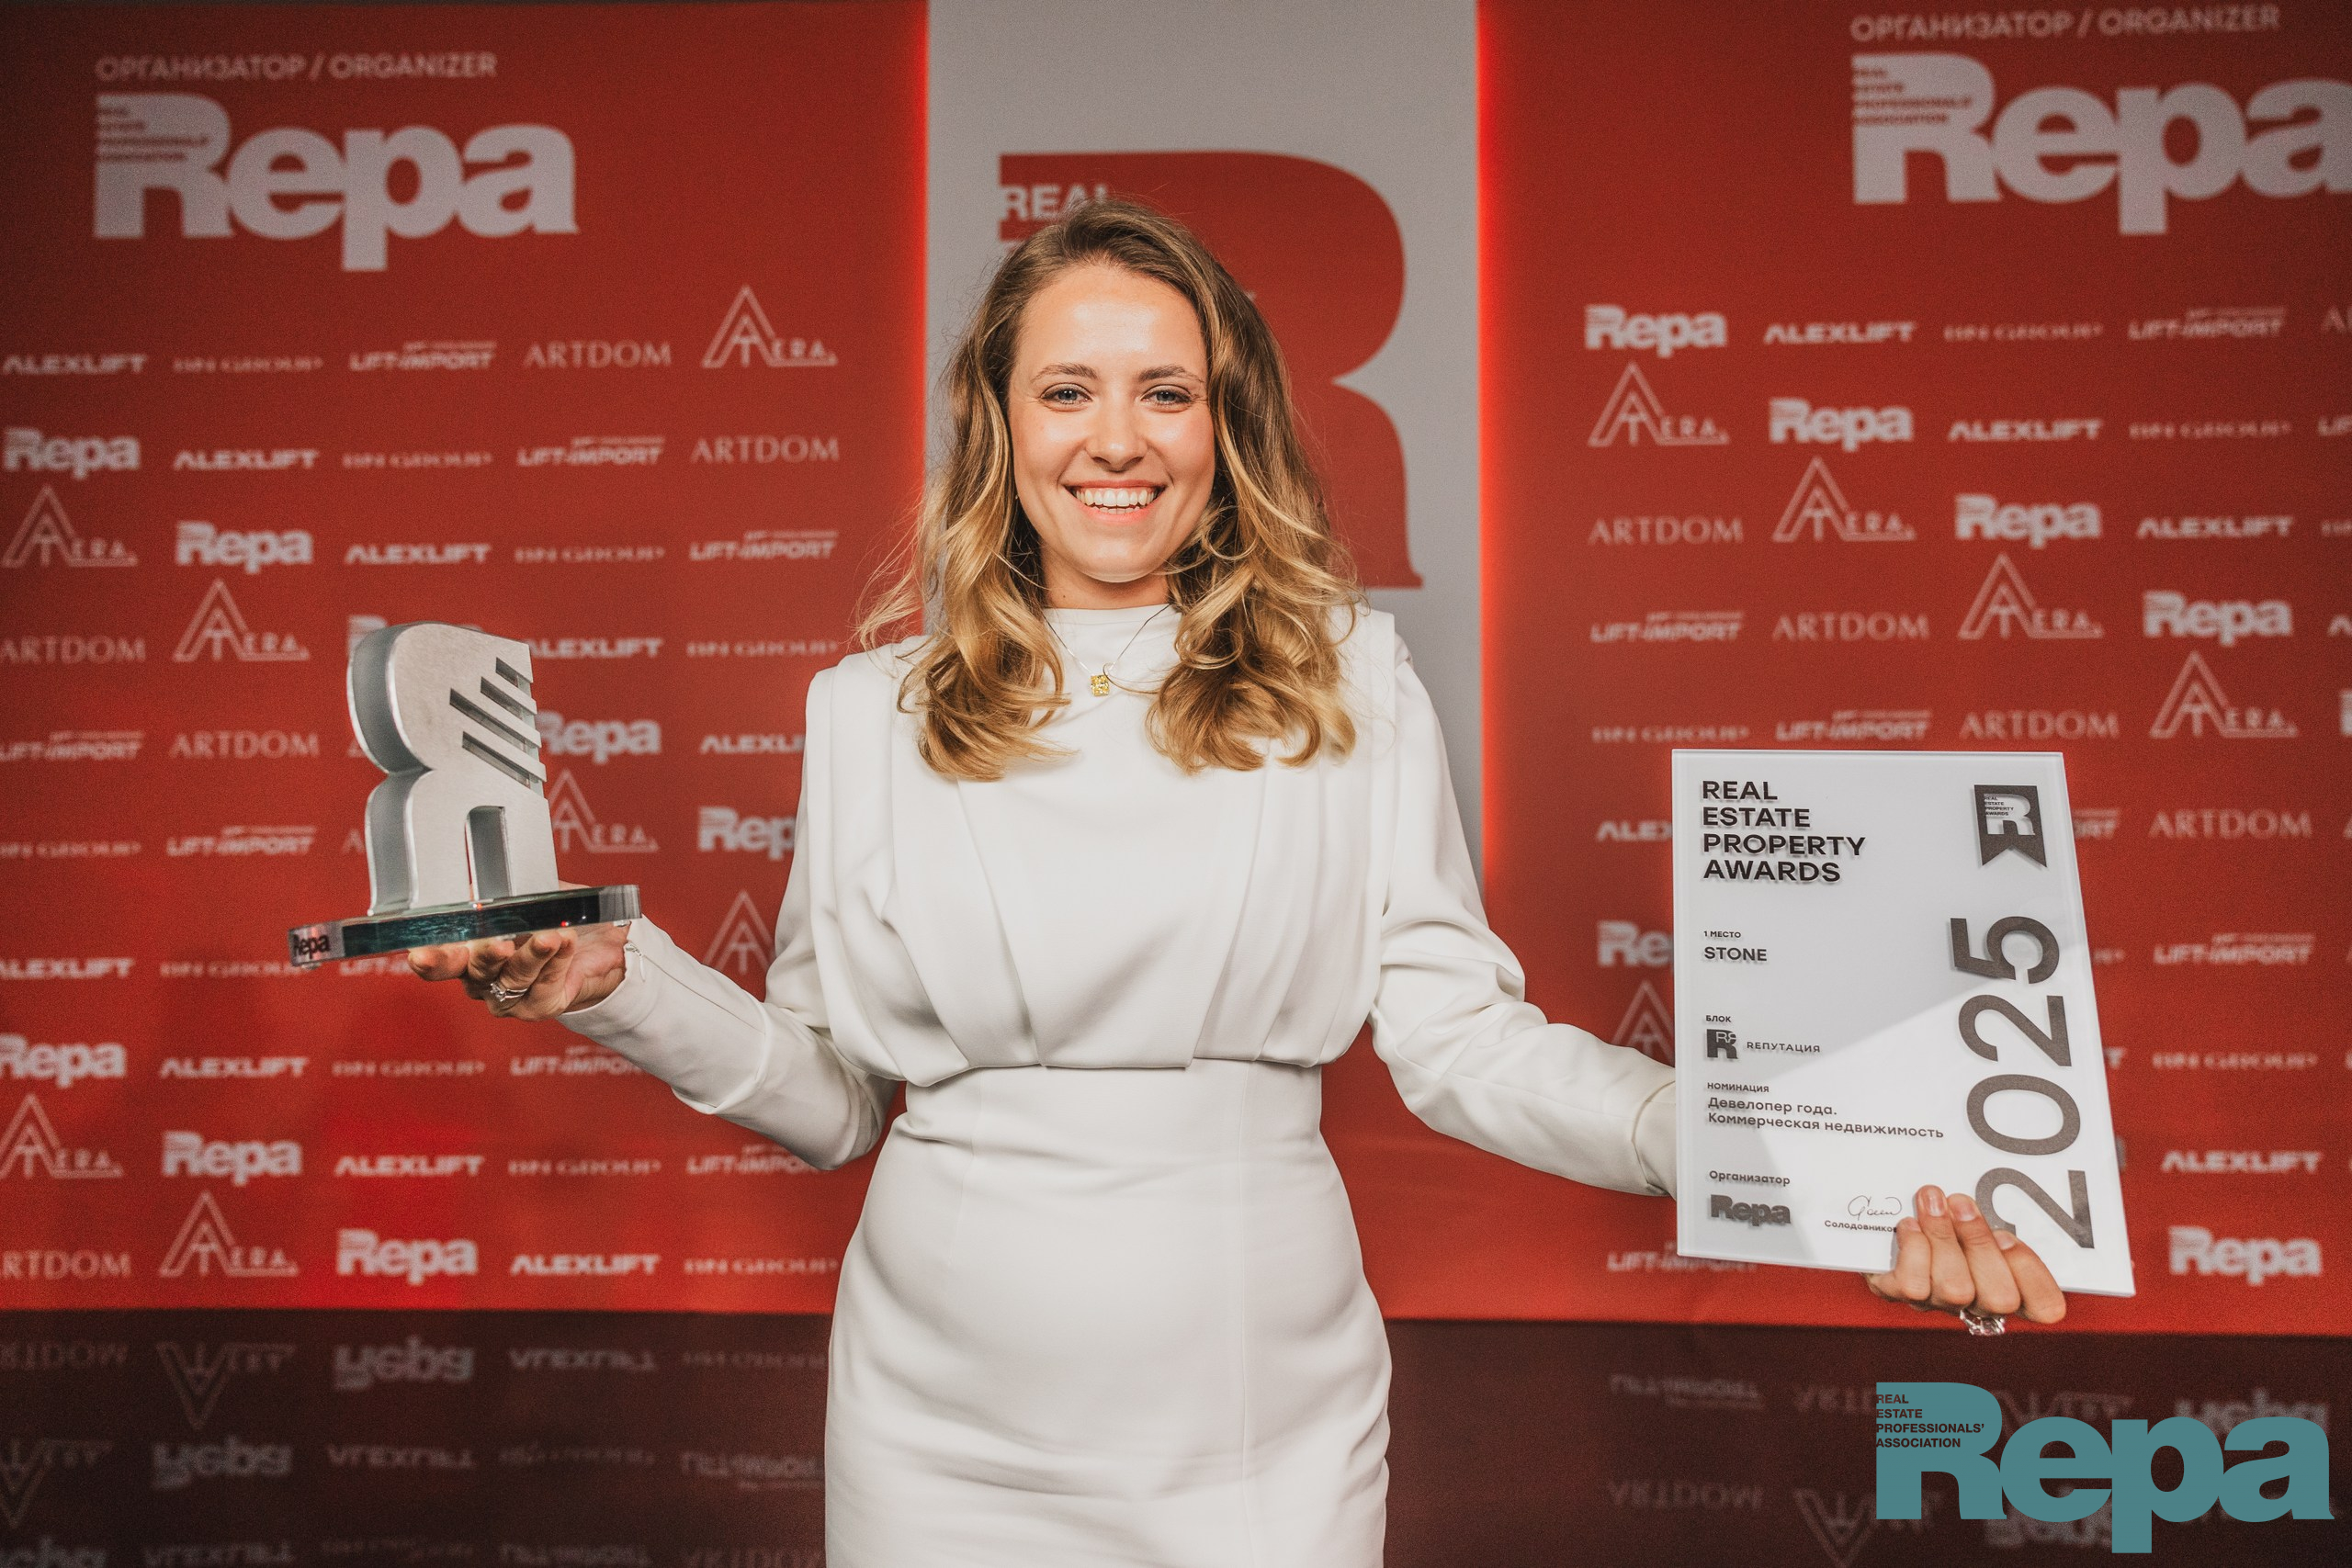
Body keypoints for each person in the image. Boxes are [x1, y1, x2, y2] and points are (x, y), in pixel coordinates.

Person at [410, 197, 2064, 1566]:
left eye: (1166, 393)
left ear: (1226, 423)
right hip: (932, 1431)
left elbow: (1463, 1045)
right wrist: (619, 983)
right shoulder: (871, 711)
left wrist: (1783, 1151)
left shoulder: (1347, 677)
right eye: (1067, 391)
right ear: (999, 420)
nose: (1115, 441)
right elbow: (834, 1093)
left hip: (1260, 1430)